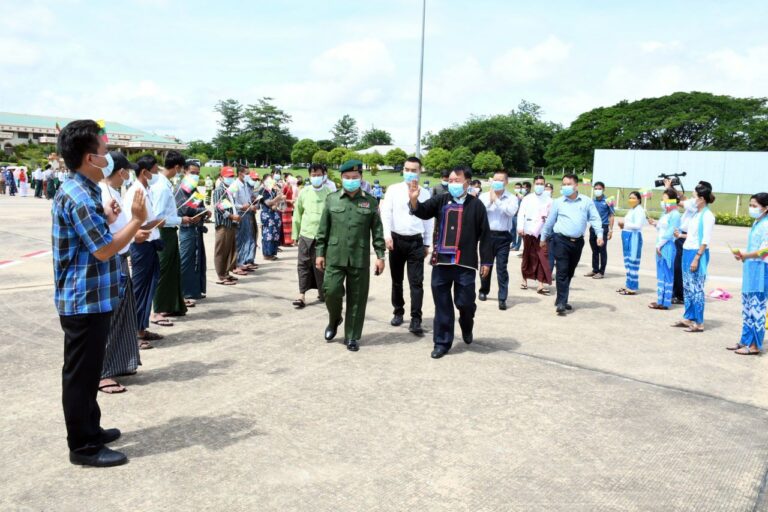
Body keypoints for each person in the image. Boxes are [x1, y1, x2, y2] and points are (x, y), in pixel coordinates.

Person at [53, 119, 147, 467]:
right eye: (105, 152)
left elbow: (91, 236)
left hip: (95, 296)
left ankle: (91, 428)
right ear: (90, 158)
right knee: (80, 376)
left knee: (90, 371)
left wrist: (107, 215)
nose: (109, 158)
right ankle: (83, 446)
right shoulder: (79, 195)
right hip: (84, 299)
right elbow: (104, 250)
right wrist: (136, 220)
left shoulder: (88, 189)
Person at [409, 166, 492, 359]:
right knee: (443, 305)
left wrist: (486, 261)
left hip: (465, 264)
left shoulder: (476, 205)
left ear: (467, 182)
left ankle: (467, 323)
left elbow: (486, 235)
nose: (452, 183)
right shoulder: (441, 200)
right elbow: (422, 211)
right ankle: (442, 342)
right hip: (442, 263)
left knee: (465, 303)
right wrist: (414, 199)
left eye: (457, 180)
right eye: (451, 180)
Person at [316, 159, 385, 352]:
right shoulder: (332, 199)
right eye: (347, 177)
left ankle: (352, 336)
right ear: (341, 178)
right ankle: (334, 319)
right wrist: (320, 253)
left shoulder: (370, 202)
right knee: (331, 290)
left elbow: (377, 231)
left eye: (355, 177)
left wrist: (381, 256)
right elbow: (323, 229)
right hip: (335, 255)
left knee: (357, 298)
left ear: (361, 178)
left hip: (359, 256)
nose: (351, 180)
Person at [98, 152, 146, 394]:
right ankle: (103, 371)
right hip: (111, 260)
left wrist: (135, 233)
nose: (128, 174)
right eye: (125, 170)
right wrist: (136, 226)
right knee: (112, 316)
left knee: (123, 312)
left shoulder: (115, 193)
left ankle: (119, 363)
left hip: (121, 257)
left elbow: (121, 228)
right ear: (119, 172)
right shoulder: (102, 193)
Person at [380, 157, 434, 334]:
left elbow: (428, 220)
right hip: (396, 240)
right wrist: (387, 235)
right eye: (407, 169)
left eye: (414, 170)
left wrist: (427, 242)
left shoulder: (425, 193)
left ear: (420, 171)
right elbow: (386, 213)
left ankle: (416, 318)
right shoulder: (393, 190)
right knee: (397, 281)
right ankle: (398, 311)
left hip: (416, 242)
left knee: (416, 282)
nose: (410, 173)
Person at [541, 174, 603, 316]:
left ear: (576, 186)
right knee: (562, 270)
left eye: (568, 184)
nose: (565, 187)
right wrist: (543, 238)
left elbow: (595, 218)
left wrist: (599, 235)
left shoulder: (586, 202)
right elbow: (550, 221)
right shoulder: (558, 202)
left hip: (577, 242)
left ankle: (561, 298)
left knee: (569, 271)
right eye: (563, 184)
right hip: (560, 240)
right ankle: (562, 302)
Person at [125, 155, 168, 341]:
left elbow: (144, 220)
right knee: (140, 290)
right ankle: (134, 331)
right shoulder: (136, 192)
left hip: (149, 244)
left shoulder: (145, 190)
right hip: (141, 246)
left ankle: (141, 328)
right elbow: (131, 223)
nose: (157, 174)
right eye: (155, 171)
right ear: (144, 172)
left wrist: (155, 222)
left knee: (148, 288)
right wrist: (151, 225)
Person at [151, 150, 194, 316]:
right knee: (164, 270)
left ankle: (172, 304)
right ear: (176, 167)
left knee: (172, 270)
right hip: (163, 232)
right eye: (181, 169)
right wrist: (181, 220)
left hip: (169, 231)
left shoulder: (165, 184)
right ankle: (160, 308)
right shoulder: (161, 187)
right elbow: (158, 217)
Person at [672, 181, 716, 333]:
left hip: (697, 253)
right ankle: (688, 317)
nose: (691, 201)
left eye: (694, 197)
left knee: (697, 289)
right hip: (687, 250)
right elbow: (693, 235)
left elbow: (705, 240)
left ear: (702, 199)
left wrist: (697, 258)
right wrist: (681, 235)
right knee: (688, 288)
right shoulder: (696, 214)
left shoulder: (708, 216)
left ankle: (699, 322)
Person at [730, 193, 768, 355]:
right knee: (747, 309)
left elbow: (764, 251)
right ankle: (745, 340)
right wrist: (743, 256)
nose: (751, 208)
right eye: (750, 205)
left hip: (761, 271)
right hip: (751, 269)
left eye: (755, 206)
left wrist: (746, 255)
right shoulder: (757, 222)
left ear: (765, 208)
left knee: (757, 309)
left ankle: (754, 345)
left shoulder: (766, 225)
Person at [291, 164, 331, 308]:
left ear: (324, 175)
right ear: (309, 176)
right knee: (303, 264)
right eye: (313, 175)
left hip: (322, 237)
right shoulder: (304, 192)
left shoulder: (329, 192)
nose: (316, 177)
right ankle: (301, 294)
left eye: (318, 175)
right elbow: (297, 214)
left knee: (321, 266)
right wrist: (295, 234)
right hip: (305, 235)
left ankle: (322, 291)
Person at [478, 170, 518, 310]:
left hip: (503, 237)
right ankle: (483, 290)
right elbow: (480, 212)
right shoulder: (483, 196)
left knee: (502, 268)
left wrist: (497, 200)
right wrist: (490, 200)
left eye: (500, 180)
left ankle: (502, 298)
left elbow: (511, 212)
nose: (497, 182)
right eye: (495, 179)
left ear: (506, 182)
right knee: (485, 265)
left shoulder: (512, 198)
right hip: (487, 236)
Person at [176, 160, 210, 301]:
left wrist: (203, 212)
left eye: (197, 173)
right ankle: (183, 292)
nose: (195, 176)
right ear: (185, 171)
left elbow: (199, 205)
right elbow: (184, 209)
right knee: (186, 261)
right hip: (187, 229)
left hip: (197, 229)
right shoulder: (180, 188)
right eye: (192, 173)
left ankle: (194, 290)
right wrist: (203, 210)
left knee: (198, 261)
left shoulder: (193, 188)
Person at [517, 175, 553, 294]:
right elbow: (521, 213)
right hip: (529, 231)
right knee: (528, 255)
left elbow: (552, 216)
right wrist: (520, 227)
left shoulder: (549, 200)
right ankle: (524, 279)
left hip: (543, 233)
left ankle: (540, 284)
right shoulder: (527, 199)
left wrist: (546, 219)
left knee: (542, 256)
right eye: (537, 183)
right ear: (533, 184)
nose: (539, 186)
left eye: (542, 184)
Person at [648, 188, 681, 310]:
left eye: (665, 198)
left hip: (667, 245)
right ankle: (659, 300)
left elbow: (671, 231)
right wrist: (655, 224)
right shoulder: (665, 213)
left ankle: (666, 302)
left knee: (667, 273)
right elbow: (662, 229)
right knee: (661, 273)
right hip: (660, 244)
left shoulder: (675, 214)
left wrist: (660, 244)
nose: (663, 201)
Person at [213, 167, 241, 285]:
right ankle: (221, 275)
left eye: (232, 176)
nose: (231, 178)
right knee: (221, 250)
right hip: (223, 224)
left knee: (228, 250)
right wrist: (231, 216)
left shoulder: (228, 190)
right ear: (221, 177)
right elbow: (218, 207)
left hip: (230, 224)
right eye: (228, 176)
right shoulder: (220, 190)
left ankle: (226, 272)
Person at [616, 191, 646, 296]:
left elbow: (638, 225)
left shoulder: (640, 210)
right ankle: (628, 284)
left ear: (639, 199)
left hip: (633, 237)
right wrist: (622, 225)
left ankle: (632, 287)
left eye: (633, 198)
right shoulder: (632, 210)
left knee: (633, 262)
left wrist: (624, 223)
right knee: (628, 262)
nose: (631, 200)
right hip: (627, 236)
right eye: (630, 198)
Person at [584, 181, 614, 279]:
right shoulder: (592, 201)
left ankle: (601, 272)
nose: (597, 190)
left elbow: (611, 215)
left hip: (603, 227)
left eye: (599, 189)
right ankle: (595, 269)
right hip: (593, 228)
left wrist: (611, 230)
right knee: (594, 250)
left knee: (602, 250)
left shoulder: (608, 201)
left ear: (604, 189)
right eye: (596, 189)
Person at [673, 191, 697, 305]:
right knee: (677, 266)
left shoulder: (696, 203)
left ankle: (680, 295)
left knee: (678, 267)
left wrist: (670, 193)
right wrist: (674, 190)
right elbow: (684, 199)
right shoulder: (693, 202)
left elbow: (680, 202)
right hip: (682, 235)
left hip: (684, 237)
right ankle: (678, 293)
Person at [233, 166, 258, 274]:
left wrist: (252, 203)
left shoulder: (245, 185)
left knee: (246, 239)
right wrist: (242, 206)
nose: (248, 176)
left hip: (247, 213)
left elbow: (247, 200)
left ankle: (243, 262)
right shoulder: (235, 185)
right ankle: (237, 264)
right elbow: (232, 202)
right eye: (246, 173)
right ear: (240, 173)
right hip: (240, 214)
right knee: (239, 240)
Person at [259, 172, 285, 261]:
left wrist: (278, 194)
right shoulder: (262, 191)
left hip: (274, 213)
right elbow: (268, 202)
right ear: (264, 181)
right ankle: (266, 253)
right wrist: (278, 198)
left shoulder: (273, 190)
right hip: (267, 214)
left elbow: (276, 202)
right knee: (268, 234)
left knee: (275, 234)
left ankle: (272, 253)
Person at [281, 173, 297, 246]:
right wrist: (289, 201)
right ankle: (285, 242)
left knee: (289, 226)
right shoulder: (285, 187)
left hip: (289, 207)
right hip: (285, 208)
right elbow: (282, 198)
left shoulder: (290, 187)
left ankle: (289, 241)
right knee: (285, 226)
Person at [509, 182, 523, 251]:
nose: (517, 189)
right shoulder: (514, 196)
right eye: (516, 188)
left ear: (521, 188)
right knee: (512, 231)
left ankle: (517, 246)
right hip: (513, 216)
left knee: (518, 232)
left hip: (518, 216)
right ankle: (513, 244)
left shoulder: (522, 197)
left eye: (518, 188)